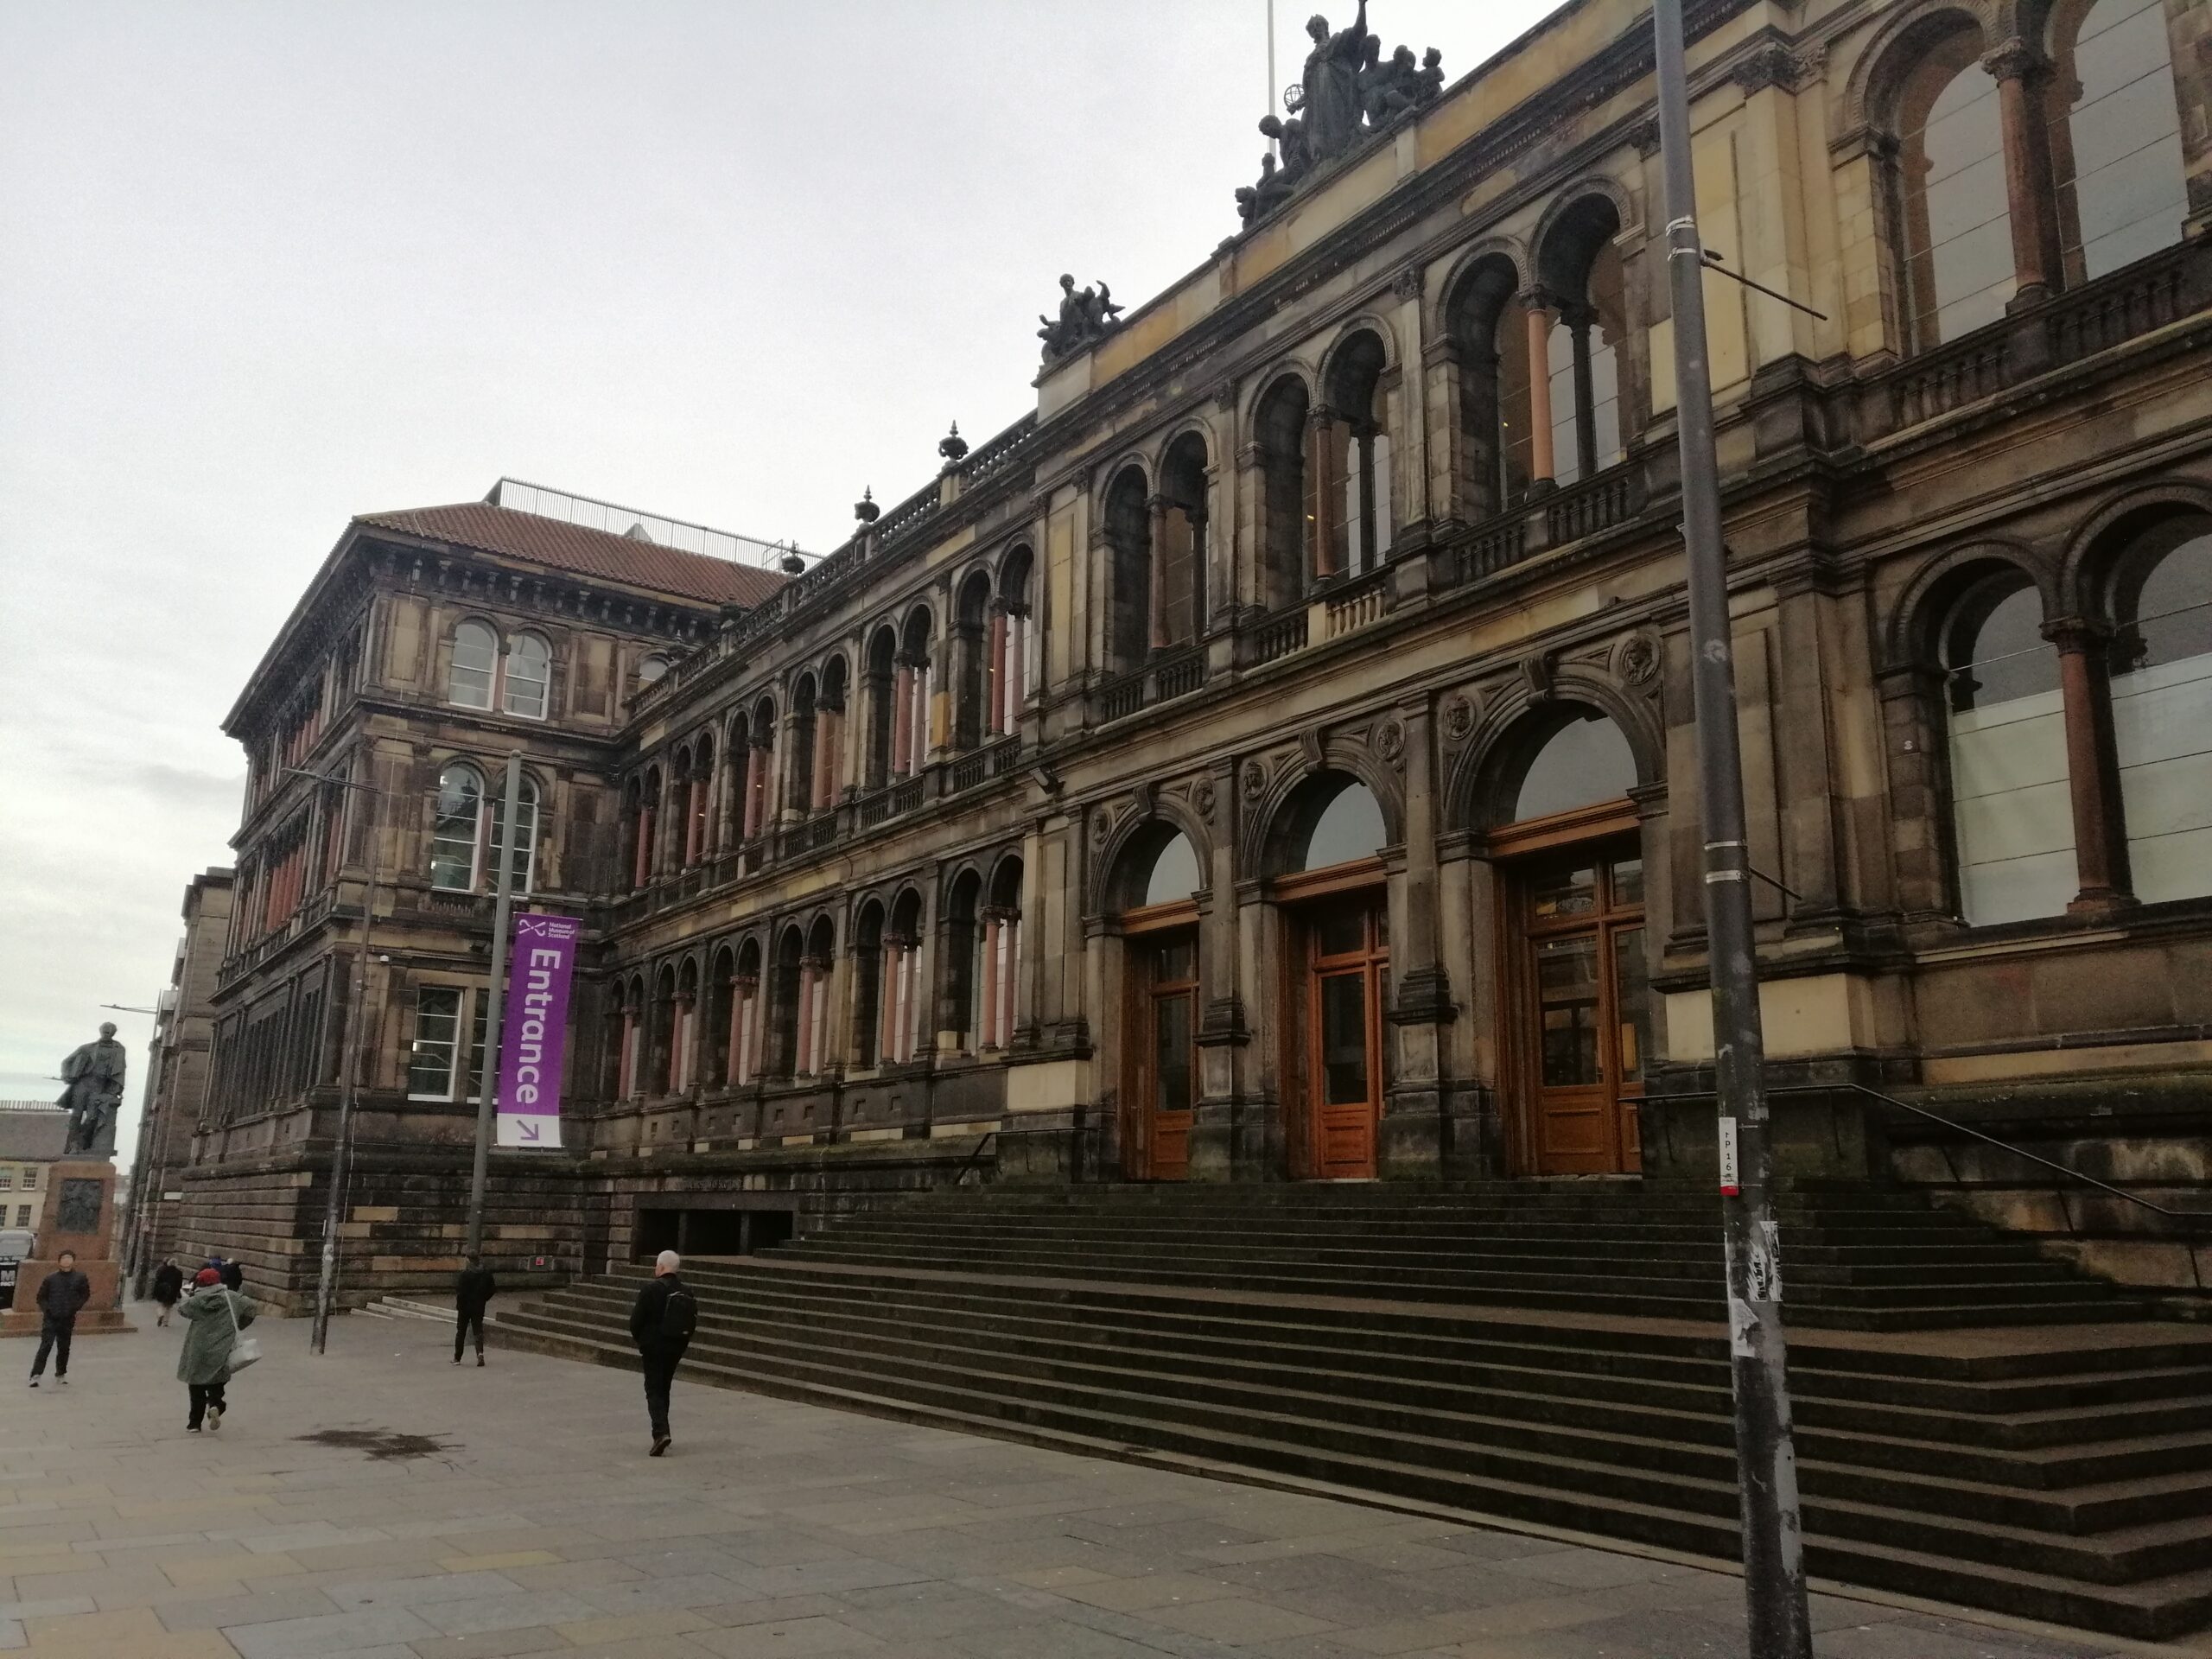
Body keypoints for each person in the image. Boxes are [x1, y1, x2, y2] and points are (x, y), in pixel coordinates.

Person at [627, 1249, 696, 1457]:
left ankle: (660, 1432)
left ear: (661, 1267)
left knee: (653, 1388)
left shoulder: (650, 1289)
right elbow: (692, 1320)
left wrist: (642, 1340)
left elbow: (636, 1320)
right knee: (664, 1386)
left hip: (653, 1346)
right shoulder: (686, 1291)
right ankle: (663, 1428)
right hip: (675, 1345)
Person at [176, 1267, 254, 1432]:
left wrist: (186, 1297)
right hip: (222, 1347)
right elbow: (251, 1308)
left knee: (196, 1387)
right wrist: (238, 1325)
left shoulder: (195, 1300)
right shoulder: (233, 1297)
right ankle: (216, 1405)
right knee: (217, 1384)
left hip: (197, 1348)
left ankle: (194, 1423)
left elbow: (182, 1310)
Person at [28, 1250, 91, 1387]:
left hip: (68, 1317)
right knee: (46, 1346)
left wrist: (75, 1307)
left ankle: (61, 1374)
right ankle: (36, 1375)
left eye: (69, 1258)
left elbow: (85, 1294)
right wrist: (48, 1310)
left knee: (64, 1347)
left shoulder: (80, 1277)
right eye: (64, 1258)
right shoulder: (51, 1278)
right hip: (51, 1318)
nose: (67, 1261)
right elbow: (41, 1297)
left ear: (73, 1261)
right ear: (59, 1261)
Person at [453, 1252, 497, 1366]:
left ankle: (457, 1358)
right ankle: (480, 1353)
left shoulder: (465, 1275)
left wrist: (459, 1305)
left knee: (461, 1332)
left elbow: (460, 1292)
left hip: (465, 1307)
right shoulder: (486, 1274)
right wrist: (483, 1299)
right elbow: (492, 1289)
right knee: (478, 1330)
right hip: (479, 1306)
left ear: (468, 1260)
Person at [151, 1257, 185, 1327]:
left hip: (163, 1291)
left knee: (162, 1305)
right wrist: (177, 1292)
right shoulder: (179, 1273)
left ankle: (160, 1315)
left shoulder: (163, 1270)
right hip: (172, 1292)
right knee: (169, 1307)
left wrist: (155, 1291)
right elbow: (179, 1284)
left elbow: (158, 1281)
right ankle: (165, 1323)